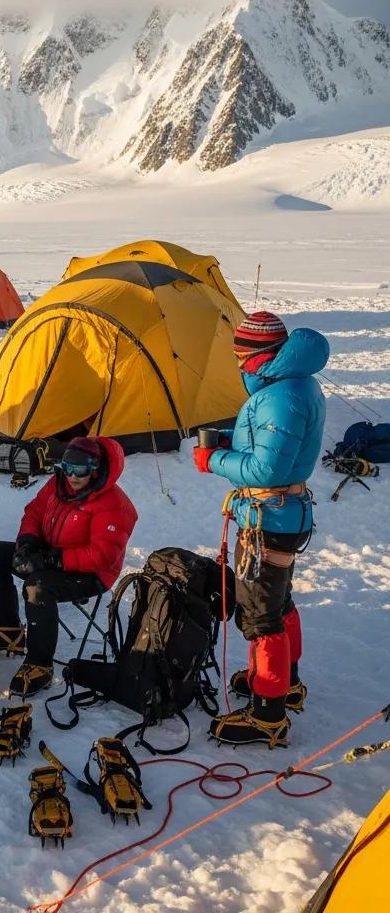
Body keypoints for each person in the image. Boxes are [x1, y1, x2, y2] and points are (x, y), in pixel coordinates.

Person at [195, 311, 328, 748]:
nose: (237, 363)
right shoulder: (293, 385)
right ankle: (284, 681)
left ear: (256, 355)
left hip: (269, 517)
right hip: (280, 516)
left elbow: (266, 468)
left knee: (259, 614)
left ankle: (268, 713)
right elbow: (273, 448)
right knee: (278, 601)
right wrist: (236, 436)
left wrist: (213, 460)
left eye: (239, 355)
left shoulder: (280, 397)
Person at [0, 437, 138, 698]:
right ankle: (8, 628)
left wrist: (52, 560)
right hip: (49, 553)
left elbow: (103, 555)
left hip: (90, 573)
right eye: (67, 468)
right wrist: (27, 543)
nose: (72, 476)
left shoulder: (113, 504)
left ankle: (40, 663)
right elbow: (35, 512)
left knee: (37, 587)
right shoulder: (57, 484)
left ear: (95, 469)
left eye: (80, 470)